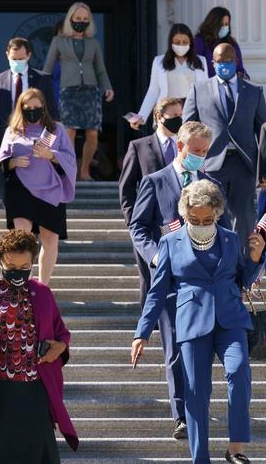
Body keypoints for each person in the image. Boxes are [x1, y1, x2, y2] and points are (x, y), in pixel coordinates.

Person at [131, 180, 265, 464]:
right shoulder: (170, 242)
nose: (200, 223)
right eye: (194, 219)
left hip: (231, 319)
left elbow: (242, 280)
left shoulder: (229, 238)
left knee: (239, 371)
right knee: (195, 390)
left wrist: (255, 257)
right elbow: (157, 292)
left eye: (207, 219)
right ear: (185, 215)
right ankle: (200, 458)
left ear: (217, 214)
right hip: (192, 322)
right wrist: (142, 333)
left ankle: (236, 448)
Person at [130, 121, 231, 440]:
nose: (200, 157)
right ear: (180, 147)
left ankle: (198, 406)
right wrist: (156, 256)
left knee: (201, 350)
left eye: (205, 151)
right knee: (175, 348)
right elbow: (138, 228)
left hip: (206, 283)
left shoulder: (211, 184)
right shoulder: (155, 181)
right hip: (171, 281)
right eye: (196, 151)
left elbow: (225, 231)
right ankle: (182, 416)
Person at [0, 229, 78, 463]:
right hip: (2, 388)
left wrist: (59, 346)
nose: (18, 272)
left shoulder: (43, 292)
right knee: (6, 451)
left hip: (37, 386)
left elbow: (61, 333)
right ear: (0, 261)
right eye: (12, 266)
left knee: (40, 449)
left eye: (25, 267)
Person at [183, 43, 266, 249]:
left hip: (244, 163)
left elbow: (263, 132)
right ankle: (216, 259)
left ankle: (243, 267)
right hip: (210, 163)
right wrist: (186, 161)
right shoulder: (199, 89)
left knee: (244, 216)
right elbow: (188, 128)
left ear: (236, 62)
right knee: (210, 213)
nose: (224, 65)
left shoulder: (254, 91)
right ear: (213, 63)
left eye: (228, 60)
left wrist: (263, 170)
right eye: (219, 61)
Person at [0, 88, 76, 284]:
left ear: (43, 107)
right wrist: (13, 162)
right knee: (23, 240)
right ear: (21, 108)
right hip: (20, 189)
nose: (32, 110)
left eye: (36, 107)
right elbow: (1, 160)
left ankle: (43, 286)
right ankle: (22, 282)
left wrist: (51, 155)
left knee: (50, 240)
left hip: (51, 190)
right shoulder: (12, 131)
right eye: (28, 107)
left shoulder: (56, 129)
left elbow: (70, 159)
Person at [120, 97, 184, 306]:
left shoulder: (184, 147)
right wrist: (133, 220)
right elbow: (127, 187)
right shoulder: (139, 146)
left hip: (179, 222)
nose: (178, 119)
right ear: (159, 117)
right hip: (149, 223)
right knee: (150, 275)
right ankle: (151, 325)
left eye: (180, 115)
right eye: (173, 116)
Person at [43, 1, 113, 181]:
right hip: (68, 91)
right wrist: (40, 91)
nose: (81, 21)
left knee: (92, 133)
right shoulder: (58, 41)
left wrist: (108, 87)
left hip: (90, 91)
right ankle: (70, 169)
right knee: (69, 132)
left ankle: (84, 170)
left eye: (85, 18)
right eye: (77, 18)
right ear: (70, 19)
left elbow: (101, 69)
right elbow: (47, 69)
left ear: (89, 21)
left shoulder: (93, 43)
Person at [0, 37, 59, 200]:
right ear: (7, 55)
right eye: (13, 59)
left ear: (29, 56)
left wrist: (46, 144)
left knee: (35, 194)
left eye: (21, 59)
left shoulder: (43, 79)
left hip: (37, 143)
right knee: (9, 192)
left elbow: (53, 114)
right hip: (8, 143)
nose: (17, 62)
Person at [131, 24, 208, 129]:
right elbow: (153, 91)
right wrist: (141, 115)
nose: (181, 45)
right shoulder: (159, 62)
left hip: (191, 109)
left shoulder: (200, 61)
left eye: (185, 42)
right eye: (177, 42)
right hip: (168, 108)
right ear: (171, 42)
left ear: (190, 42)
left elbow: (205, 92)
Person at [194, 6, 249, 79]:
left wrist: (243, 77)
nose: (224, 27)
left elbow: (240, 69)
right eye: (221, 24)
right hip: (208, 86)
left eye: (226, 24)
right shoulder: (199, 42)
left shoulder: (232, 44)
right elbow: (195, 68)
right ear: (213, 24)